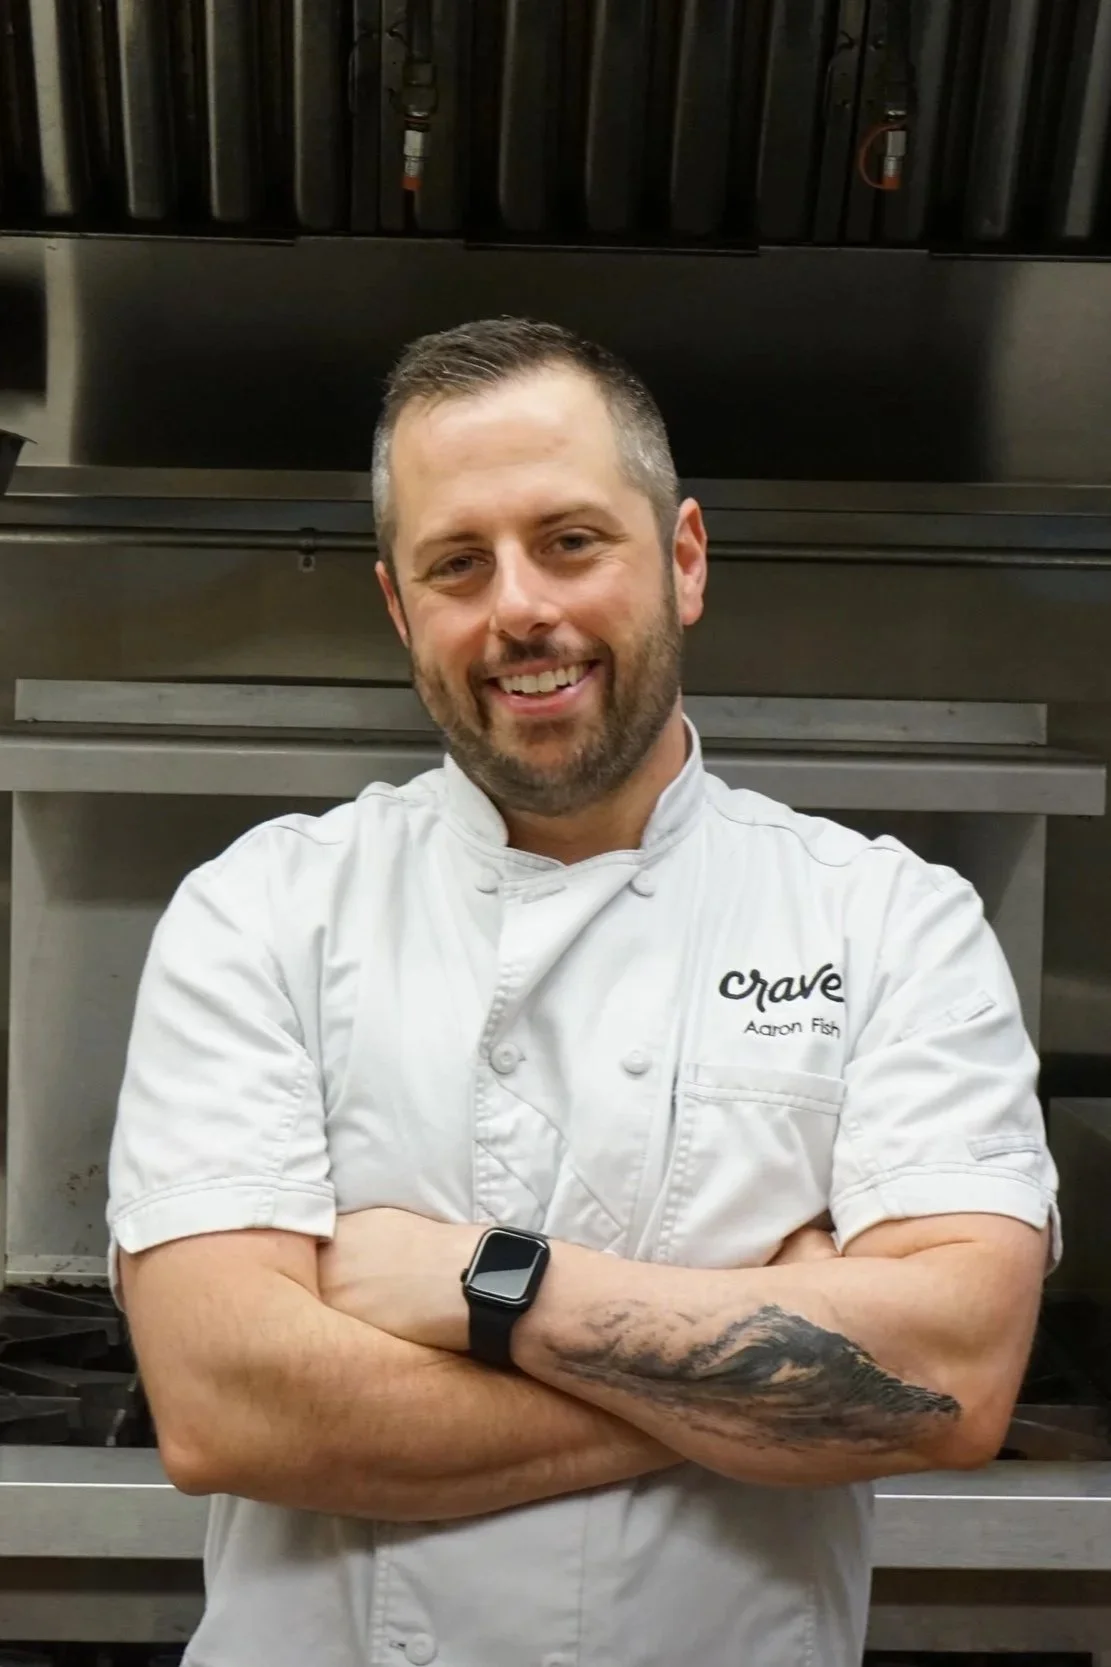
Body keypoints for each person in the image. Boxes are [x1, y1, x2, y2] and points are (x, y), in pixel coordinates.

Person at [108, 317, 1057, 1667]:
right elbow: (226, 1411)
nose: (518, 609)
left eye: (569, 541)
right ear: (400, 608)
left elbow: (949, 1379)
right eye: (457, 562)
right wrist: (770, 1369)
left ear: (682, 559)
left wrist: (479, 1286)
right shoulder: (259, 911)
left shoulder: (889, 919)